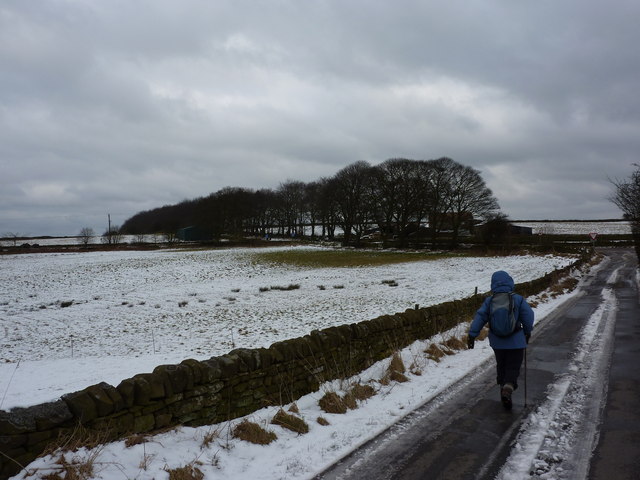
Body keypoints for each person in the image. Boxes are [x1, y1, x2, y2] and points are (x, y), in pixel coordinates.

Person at [467, 270, 534, 410]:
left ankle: (503, 388)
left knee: (501, 365)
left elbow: (480, 317)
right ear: (510, 282)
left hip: (497, 342)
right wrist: (527, 332)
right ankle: (508, 387)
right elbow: (528, 316)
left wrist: (472, 335)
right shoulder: (517, 299)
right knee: (513, 366)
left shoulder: (490, 301)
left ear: (493, 284)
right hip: (516, 340)